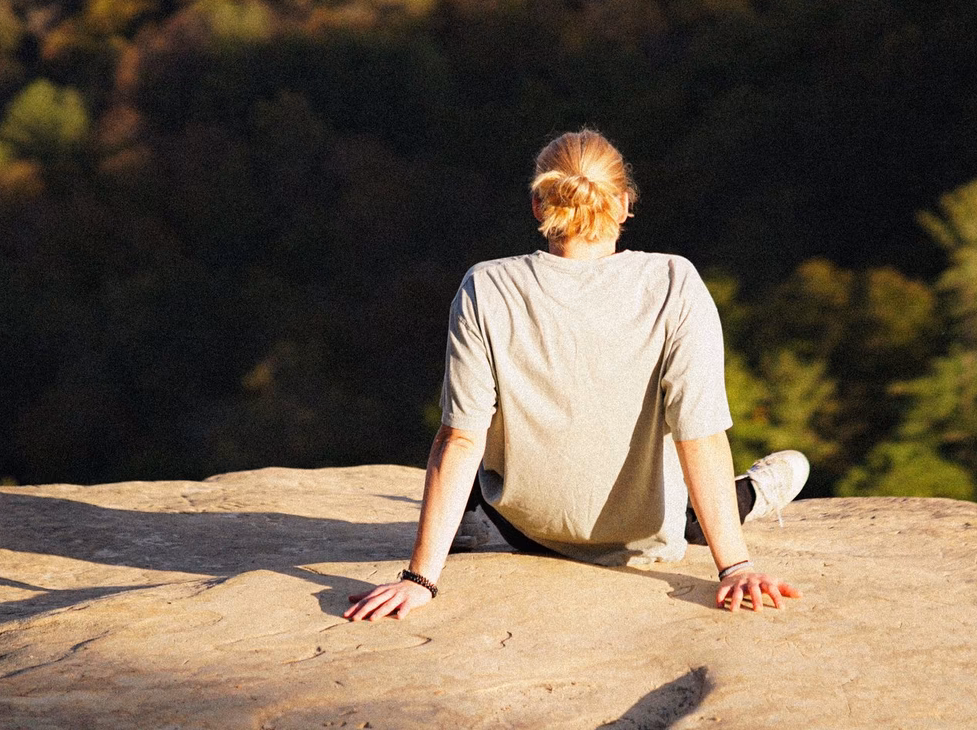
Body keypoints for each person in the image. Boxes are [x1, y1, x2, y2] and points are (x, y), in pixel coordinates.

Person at [346, 128, 807, 621]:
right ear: (625, 204)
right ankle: (749, 495)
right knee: (786, 468)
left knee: (483, 469)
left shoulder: (486, 286)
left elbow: (460, 439)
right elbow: (701, 435)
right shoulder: (674, 282)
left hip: (522, 529)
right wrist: (735, 566)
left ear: (540, 207)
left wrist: (420, 580)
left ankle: (479, 523)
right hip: (648, 536)